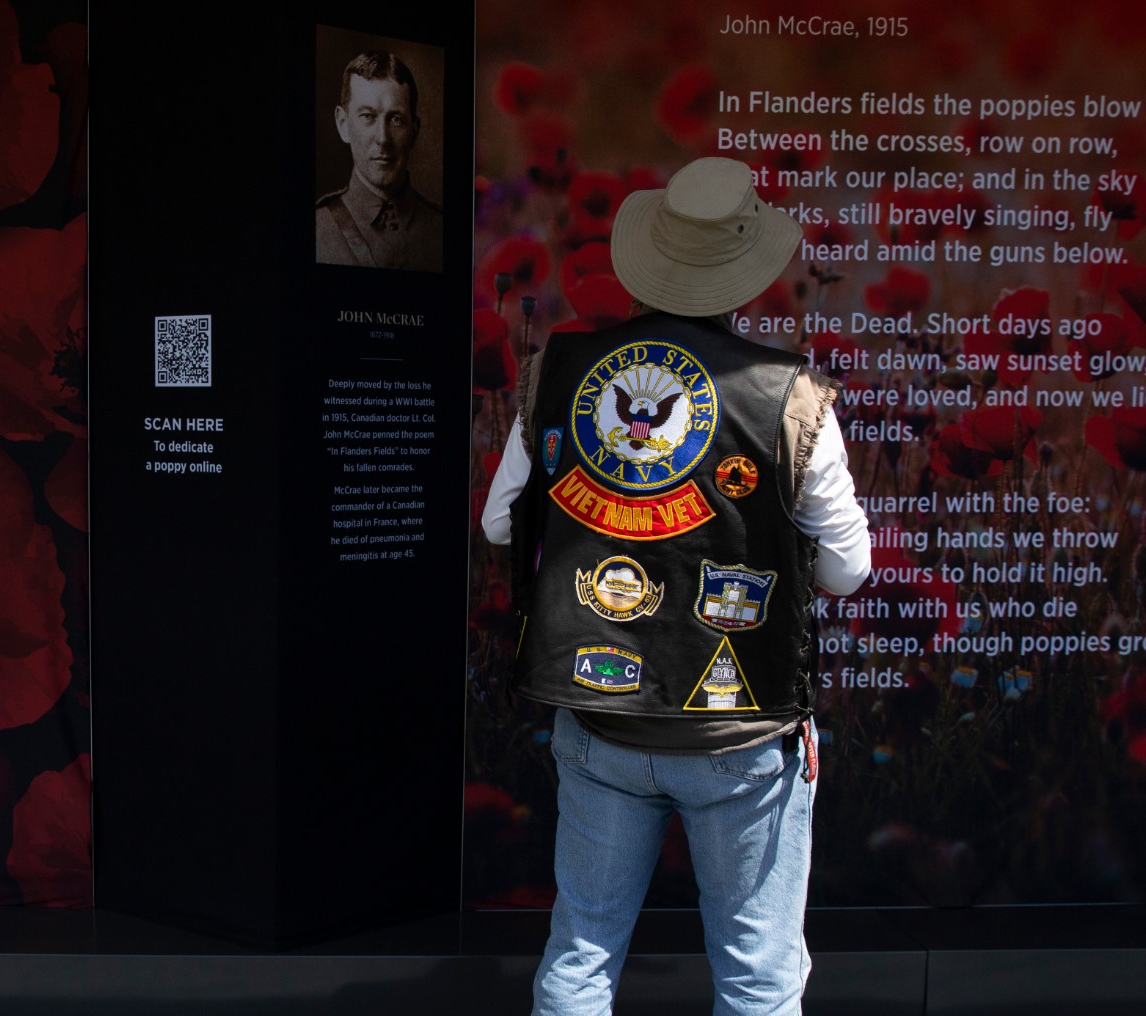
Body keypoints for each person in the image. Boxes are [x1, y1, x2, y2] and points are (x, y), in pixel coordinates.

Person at [480, 156, 871, 1015]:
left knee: (581, 953)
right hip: (741, 734)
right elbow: (848, 570)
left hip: (599, 718)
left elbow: (499, 525)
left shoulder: (560, 369)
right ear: (744, 272)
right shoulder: (793, 396)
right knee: (759, 976)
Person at [315, 50, 442, 271]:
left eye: (396, 119)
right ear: (343, 124)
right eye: (367, 117)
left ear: (415, 130)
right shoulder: (318, 227)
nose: (383, 139)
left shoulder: (440, 229)